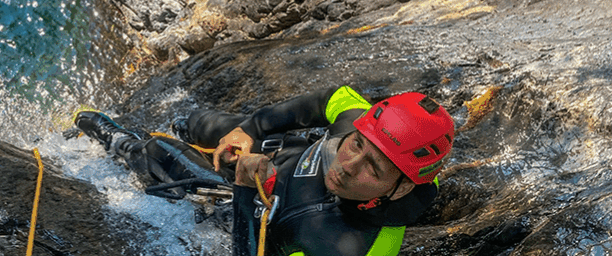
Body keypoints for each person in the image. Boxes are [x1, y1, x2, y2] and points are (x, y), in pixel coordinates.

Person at [74, 85, 455, 256]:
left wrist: (243, 192)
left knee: (159, 150)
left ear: (401, 189)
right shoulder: (367, 130)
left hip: (250, 207)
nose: (346, 165)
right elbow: (333, 98)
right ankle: (183, 124)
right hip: (274, 158)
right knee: (199, 121)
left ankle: (119, 140)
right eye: (355, 145)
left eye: (371, 167)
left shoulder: (345, 246)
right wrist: (251, 130)